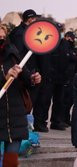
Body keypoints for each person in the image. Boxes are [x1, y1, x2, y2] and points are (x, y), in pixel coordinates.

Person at [0, 25, 41, 167]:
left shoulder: (12, 53)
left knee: (10, 162)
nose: (2, 41)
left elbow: (25, 78)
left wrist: (33, 79)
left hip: (15, 117)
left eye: (3, 38)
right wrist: (4, 77)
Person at [9, 9, 41, 104]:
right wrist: (27, 75)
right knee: (26, 102)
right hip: (24, 73)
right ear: (30, 19)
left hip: (27, 72)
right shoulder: (20, 33)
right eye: (35, 19)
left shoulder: (25, 31)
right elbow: (18, 55)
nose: (36, 21)